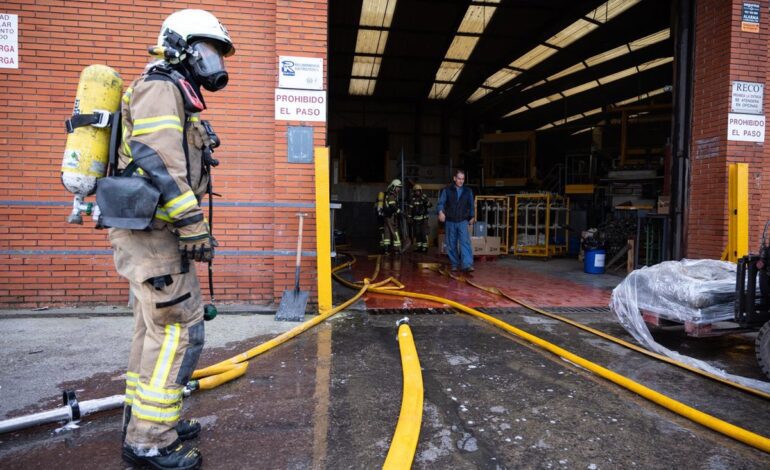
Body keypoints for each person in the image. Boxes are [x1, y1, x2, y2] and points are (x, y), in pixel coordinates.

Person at [109, 9, 235, 469]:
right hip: (156, 234)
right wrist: (192, 224)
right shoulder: (161, 88)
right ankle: (149, 440)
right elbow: (159, 164)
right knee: (175, 330)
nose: (213, 61)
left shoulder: (171, 91)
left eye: (216, 53)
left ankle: (147, 419)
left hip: (152, 233)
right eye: (205, 50)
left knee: (152, 328)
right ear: (179, 47)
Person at [437, 169, 475, 272]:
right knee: (451, 243)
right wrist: (440, 212)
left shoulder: (468, 191)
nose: (461, 181)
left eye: (463, 179)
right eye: (459, 178)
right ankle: (454, 263)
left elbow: (471, 205)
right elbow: (441, 203)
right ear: (454, 178)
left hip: (462, 220)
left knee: (465, 242)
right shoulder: (447, 190)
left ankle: (467, 265)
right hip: (450, 221)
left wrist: (472, 216)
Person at [376, 179, 402, 254]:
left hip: (387, 216)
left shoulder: (390, 193)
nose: (399, 189)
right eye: (398, 187)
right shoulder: (391, 194)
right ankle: (396, 249)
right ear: (393, 186)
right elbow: (392, 206)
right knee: (394, 231)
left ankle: (386, 249)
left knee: (387, 231)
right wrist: (399, 212)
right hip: (390, 216)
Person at [408, 184, 431, 253]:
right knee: (417, 233)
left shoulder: (424, 197)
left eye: (418, 191)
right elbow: (410, 209)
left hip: (424, 219)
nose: (417, 192)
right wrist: (409, 218)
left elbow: (430, 205)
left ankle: (425, 247)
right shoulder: (412, 199)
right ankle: (419, 247)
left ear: (420, 191)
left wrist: (426, 202)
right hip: (416, 220)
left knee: (423, 233)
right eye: (416, 191)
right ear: (414, 191)